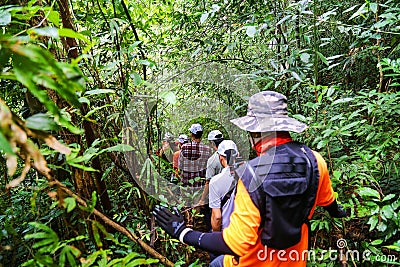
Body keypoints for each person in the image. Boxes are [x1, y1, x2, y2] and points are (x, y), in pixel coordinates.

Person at [154, 91, 346, 267]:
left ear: (255, 133)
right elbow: (329, 202)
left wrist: (183, 232)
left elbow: (235, 243)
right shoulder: (315, 160)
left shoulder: (251, 175)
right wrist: (338, 212)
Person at [208, 140, 239, 232]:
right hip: (246, 229)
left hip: (227, 232)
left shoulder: (215, 182)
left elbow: (217, 217)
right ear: (237, 155)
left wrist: (216, 237)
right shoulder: (249, 174)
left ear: (220, 157)